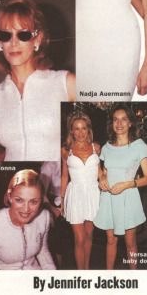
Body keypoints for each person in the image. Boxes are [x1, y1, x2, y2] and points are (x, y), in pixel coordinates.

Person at [0, 0, 75, 161]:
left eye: (23, 35)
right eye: (5, 35)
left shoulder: (66, 84)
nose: (13, 43)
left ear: (37, 39)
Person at [94, 105, 147, 269]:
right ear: (112, 123)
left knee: (130, 243)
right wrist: (102, 179)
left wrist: (127, 185)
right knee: (110, 241)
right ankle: (109, 277)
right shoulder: (106, 147)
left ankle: (134, 277)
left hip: (128, 198)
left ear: (130, 123)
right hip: (109, 198)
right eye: (115, 120)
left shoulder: (139, 146)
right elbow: (104, 172)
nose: (119, 124)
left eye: (123, 119)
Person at [0, 169, 55, 269]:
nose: (26, 209)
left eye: (33, 202)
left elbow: (43, 251)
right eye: (19, 200)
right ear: (10, 197)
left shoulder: (44, 217)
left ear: (41, 200)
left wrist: (52, 274)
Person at [60, 111, 100, 269]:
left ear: (88, 130)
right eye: (76, 128)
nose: (80, 132)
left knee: (89, 236)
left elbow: (101, 172)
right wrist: (62, 200)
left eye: (84, 128)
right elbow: (64, 176)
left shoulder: (96, 148)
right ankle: (80, 272)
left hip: (93, 194)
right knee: (80, 238)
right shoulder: (65, 150)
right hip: (75, 195)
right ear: (71, 131)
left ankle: (87, 269)